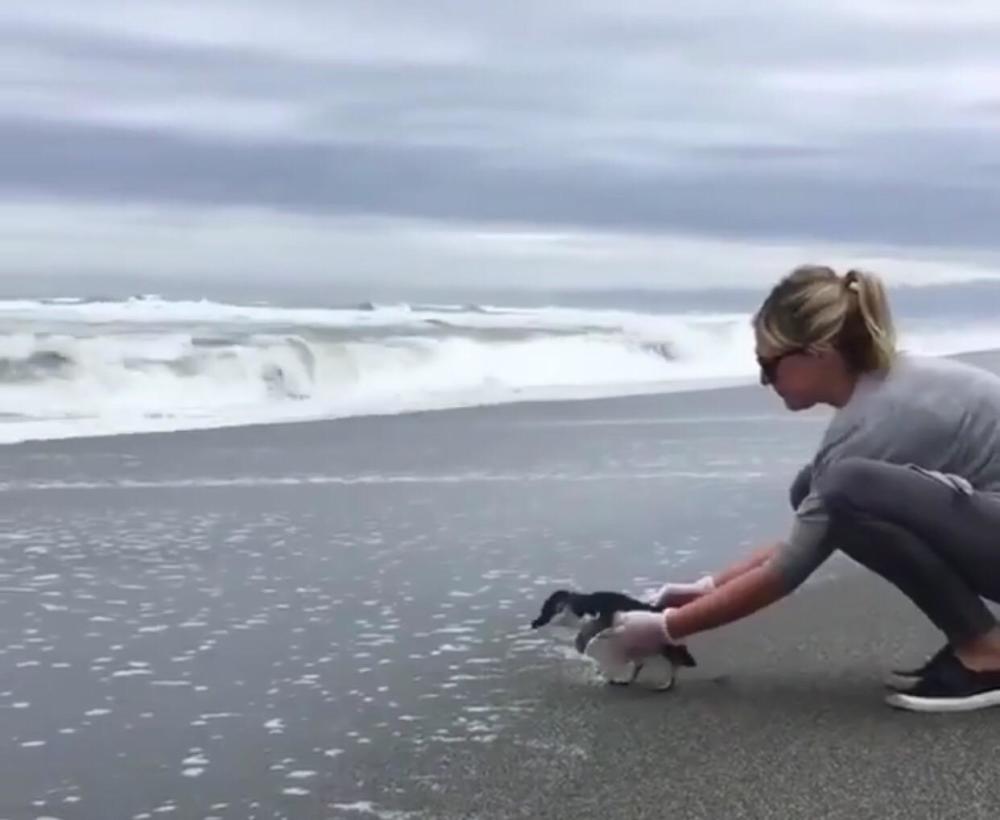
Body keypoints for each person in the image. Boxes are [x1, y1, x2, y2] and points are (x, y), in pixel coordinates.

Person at [601, 264, 1000, 712]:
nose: (763, 380)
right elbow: (810, 532)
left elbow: (787, 570)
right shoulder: (886, 389)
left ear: (818, 353)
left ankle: (987, 654)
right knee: (816, 487)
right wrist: (707, 587)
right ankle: (980, 642)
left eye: (769, 365)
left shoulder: (884, 415)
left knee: (844, 486)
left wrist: (666, 628)